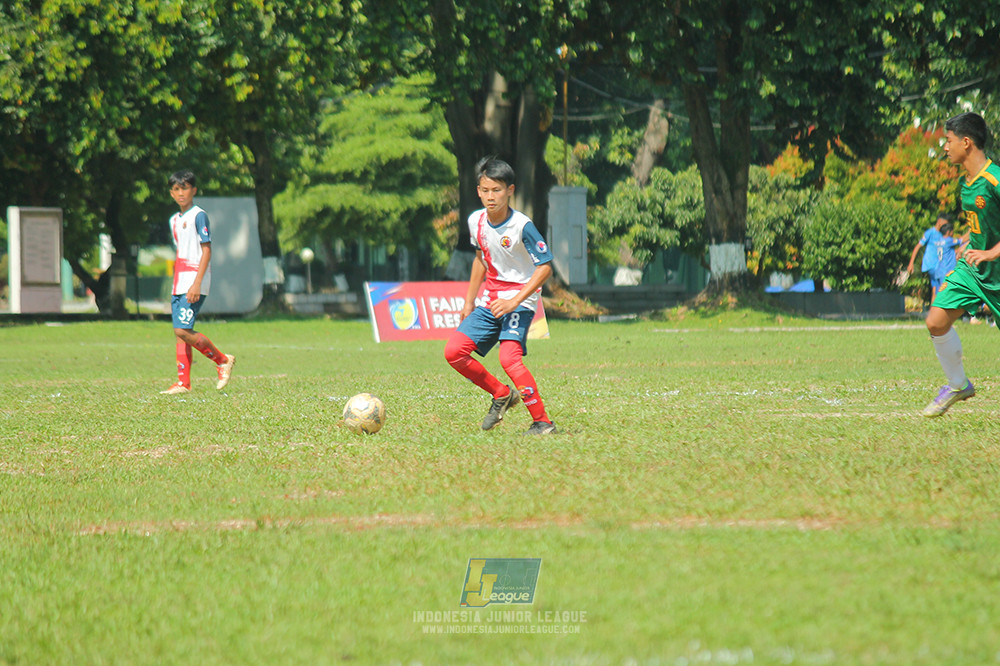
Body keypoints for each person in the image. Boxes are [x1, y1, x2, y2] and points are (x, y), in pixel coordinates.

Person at [444, 157, 557, 434]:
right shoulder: (476, 221)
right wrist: (469, 301)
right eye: (485, 190)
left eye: (497, 190)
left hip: (520, 301)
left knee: (509, 359)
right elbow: (481, 258)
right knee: (454, 352)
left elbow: (545, 269)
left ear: (510, 190)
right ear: (478, 191)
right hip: (491, 300)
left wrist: (514, 301)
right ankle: (501, 393)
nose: (490, 196)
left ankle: (542, 422)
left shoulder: (522, 226)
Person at [921, 112, 1000, 417]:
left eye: (949, 141)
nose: (945, 147)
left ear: (966, 143)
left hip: (996, 271)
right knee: (936, 321)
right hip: (973, 270)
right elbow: (979, 225)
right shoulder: (966, 183)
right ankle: (958, 384)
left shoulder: (994, 179)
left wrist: (992, 253)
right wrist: (969, 247)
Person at [160, 170, 236, 395]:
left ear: (194, 190)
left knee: (182, 329)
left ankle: (222, 360)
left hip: (194, 279)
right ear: (171, 193)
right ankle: (184, 383)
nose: (180, 193)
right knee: (181, 332)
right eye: (176, 189)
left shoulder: (198, 215)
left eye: (185, 188)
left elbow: (206, 250)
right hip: (179, 280)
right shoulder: (175, 220)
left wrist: (196, 283)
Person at [907, 213, 950, 304]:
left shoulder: (944, 235)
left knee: (935, 289)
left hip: (938, 265)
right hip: (932, 265)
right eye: (945, 224)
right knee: (943, 288)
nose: (946, 226)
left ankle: (933, 313)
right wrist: (911, 263)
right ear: (939, 222)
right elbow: (918, 247)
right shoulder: (930, 233)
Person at [928, 221, 965, 303]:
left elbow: (947, 252)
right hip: (946, 271)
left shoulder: (938, 241)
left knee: (938, 294)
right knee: (948, 294)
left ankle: (934, 313)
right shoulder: (948, 241)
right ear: (949, 232)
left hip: (938, 271)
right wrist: (973, 231)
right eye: (952, 232)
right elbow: (962, 240)